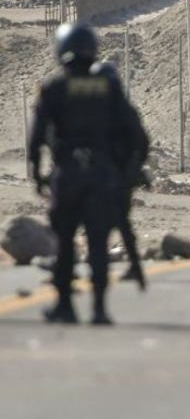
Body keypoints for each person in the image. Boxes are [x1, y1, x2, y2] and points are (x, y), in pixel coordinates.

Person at [29, 23, 145, 325]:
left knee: (65, 242)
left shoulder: (54, 88)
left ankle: (64, 306)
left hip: (67, 175)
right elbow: (137, 135)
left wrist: (36, 172)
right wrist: (127, 171)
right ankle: (99, 308)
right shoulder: (109, 87)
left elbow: (37, 135)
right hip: (103, 176)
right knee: (97, 243)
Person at [96, 61, 150, 290]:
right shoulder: (125, 110)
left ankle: (99, 267)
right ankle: (135, 267)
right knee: (121, 222)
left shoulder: (93, 112)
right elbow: (142, 141)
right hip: (120, 177)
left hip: (102, 175)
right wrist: (135, 167)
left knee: (101, 223)